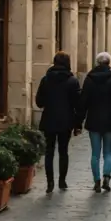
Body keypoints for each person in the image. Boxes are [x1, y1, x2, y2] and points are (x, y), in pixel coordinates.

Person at [35, 52, 82, 194]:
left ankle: (50, 182)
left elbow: (39, 102)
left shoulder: (46, 80)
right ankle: (62, 180)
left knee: (49, 152)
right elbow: (77, 104)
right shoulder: (72, 81)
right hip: (66, 120)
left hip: (49, 119)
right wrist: (77, 124)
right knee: (63, 151)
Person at [81, 52, 111, 193]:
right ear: (109, 63)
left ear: (97, 63)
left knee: (95, 154)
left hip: (93, 120)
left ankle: (96, 180)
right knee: (108, 153)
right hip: (110, 120)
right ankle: (106, 177)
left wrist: (78, 121)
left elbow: (83, 102)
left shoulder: (89, 80)